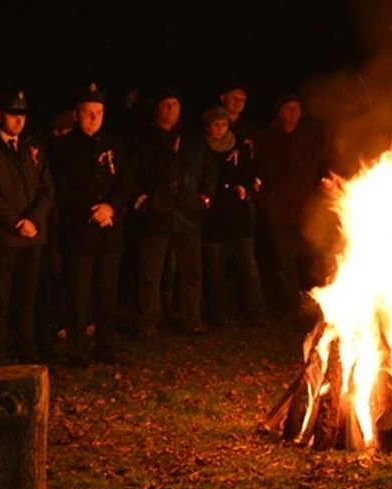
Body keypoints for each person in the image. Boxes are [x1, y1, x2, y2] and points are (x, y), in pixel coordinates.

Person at [50, 83, 133, 365]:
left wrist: (110, 206)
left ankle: (106, 344)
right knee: (78, 293)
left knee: (107, 290)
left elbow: (125, 181)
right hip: (79, 231)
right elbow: (61, 187)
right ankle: (77, 349)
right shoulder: (62, 147)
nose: (94, 118)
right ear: (77, 115)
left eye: (99, 112)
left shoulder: (115, 144)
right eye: (88, 113)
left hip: (109, 229)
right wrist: (90, 209)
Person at [0, 90, 54, 366]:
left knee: (27, 299)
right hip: (6, 237)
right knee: (0, 299)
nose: (19, 120)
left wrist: (34, 219)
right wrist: (15, 222)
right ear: (0, 115)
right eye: (13, 114)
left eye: (23, 114)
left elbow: (47, 188)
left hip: (33, 236)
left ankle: (27, 352)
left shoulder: (33, 145)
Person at [131, 85, 217, 337]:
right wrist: (142, 200)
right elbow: (131, 175)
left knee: (192, 272)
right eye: (166, 104)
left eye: (175, 105)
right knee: (151, 273)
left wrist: (205, 195)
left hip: (188, 215)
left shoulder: (193, 139)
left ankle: (190, 319)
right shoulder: (144, 140)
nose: (171, 109)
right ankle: (148, 321)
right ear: (157, 108)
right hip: (156, 215)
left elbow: (210, 169)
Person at [255, 91, 330, 310]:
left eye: (296, 106)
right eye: (288, 107)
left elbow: (327, 159)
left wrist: (326, 178)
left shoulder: (313, 134)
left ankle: (319, 306)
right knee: (285, 263)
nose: (293, 111)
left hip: (308, 210)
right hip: (280, 210)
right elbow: (259, 169)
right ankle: (292, 307)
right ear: (280, 113)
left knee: (314, 260)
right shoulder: (268, 138)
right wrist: (265, 196)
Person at [201, 105, 265, 327]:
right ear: (208, 127)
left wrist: (244, 187)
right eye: (215, 125)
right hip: (213, 216)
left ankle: (256, 313)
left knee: (248, 266)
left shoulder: (239, 146)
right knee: (215, 269)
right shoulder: (201, 147)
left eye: (223, 124)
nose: (220, 129)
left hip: (238, 215)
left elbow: (249, 173)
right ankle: (218, 315)